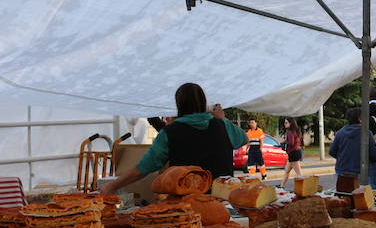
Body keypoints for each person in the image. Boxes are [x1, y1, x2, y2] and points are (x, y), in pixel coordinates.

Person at [101, 83, 247, 194]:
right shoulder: (222, 125)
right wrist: (222, 119)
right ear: (204, 102)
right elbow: (243, 139)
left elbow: (143, 168)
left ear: (178, 105)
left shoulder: (170, 132)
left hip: (187, 207)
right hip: (222, 202)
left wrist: (112, 185)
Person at [328, 107, 376, 177]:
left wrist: (343, 158)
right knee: (361, 187)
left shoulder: (340, 133)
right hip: (361, 171)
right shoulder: (366, 133)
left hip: (342, 170)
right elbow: (374, 154)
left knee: (343, 187)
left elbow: (332, 151)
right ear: (360, 119)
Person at [279, 117, 304, 189]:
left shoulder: (290, 131)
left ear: (291, 123)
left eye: (286, 122)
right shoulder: (297, 130)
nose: (284, 124)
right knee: (287, 171)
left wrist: (283, 143)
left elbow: (291, 142)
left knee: (299, 174)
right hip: (296, 152)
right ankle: (281, 186)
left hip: (293, 153)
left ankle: (304, 187)